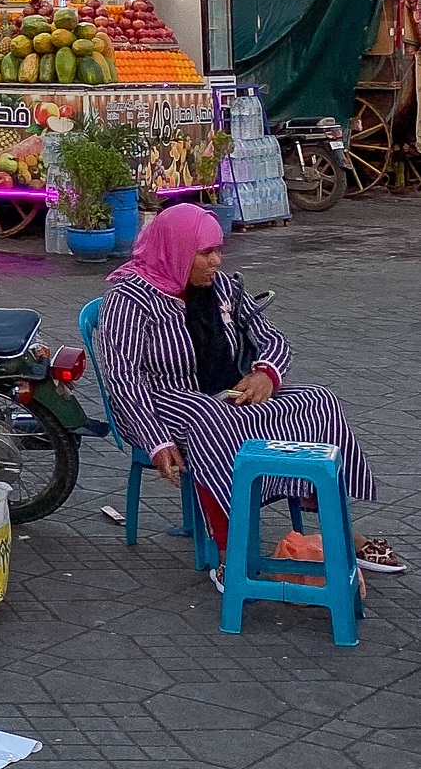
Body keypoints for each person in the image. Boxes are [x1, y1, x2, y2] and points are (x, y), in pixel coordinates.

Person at [96, 203, 401, 575]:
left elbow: (272, 338)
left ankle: (340, 531)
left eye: (218, 250)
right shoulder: (129, 301)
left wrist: (265, 375)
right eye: (205, 252)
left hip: (229, 395)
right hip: (160, 402)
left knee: (319, 402)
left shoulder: (224, 289)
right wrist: (157, 441)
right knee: (212, 420)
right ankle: (231, 553)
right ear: (174, 249)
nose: (216, 261)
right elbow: (124, 380)